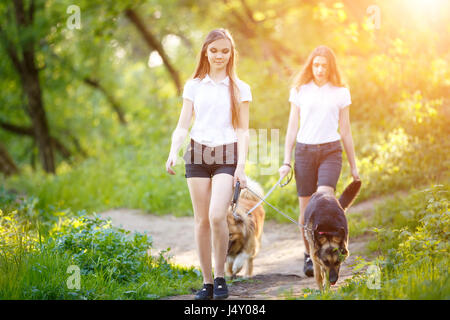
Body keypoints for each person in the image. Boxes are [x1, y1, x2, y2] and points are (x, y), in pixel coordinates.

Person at [165, 29, 251, 300]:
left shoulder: (240, 88)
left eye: (225, 51)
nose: (219, 56)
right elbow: (182, 125)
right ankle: (207, 283)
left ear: (231, 53)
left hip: (226, 154)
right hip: (198, 155)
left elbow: (243, 131)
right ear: (205, 51)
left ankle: (220, 276)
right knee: (201, 220)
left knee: (217, 216)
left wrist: (241, 167)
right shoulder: (194, 85)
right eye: (214, 50)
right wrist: (172, 152)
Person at [278, 45, 360, 277]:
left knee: (323, 200)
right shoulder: (300, 89)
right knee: (306, 212)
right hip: (304, 152)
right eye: (316, 65)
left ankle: (333, 251)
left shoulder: (340, 92)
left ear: (330, 67)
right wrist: (286, 161)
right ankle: (310, 254)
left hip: (330, 152)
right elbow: (292, 126)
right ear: (310, 65)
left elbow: (345, 130)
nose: (320, 69)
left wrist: (354, 166)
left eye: (324, 65)